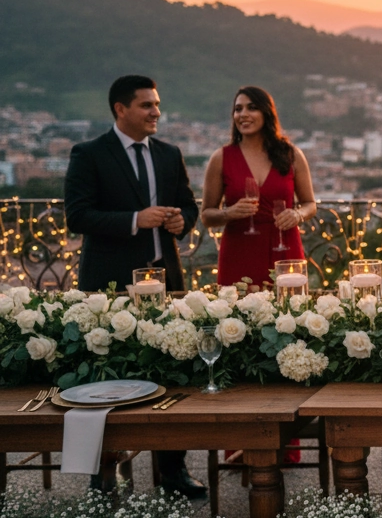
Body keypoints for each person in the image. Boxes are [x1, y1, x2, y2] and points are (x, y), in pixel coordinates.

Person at [63, 75, 204, 498]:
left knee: (172, 370)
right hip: (110, 284)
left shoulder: (169, 153)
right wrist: (134, 220)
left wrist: (181, 221)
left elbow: (189, 205)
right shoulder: (89, 154)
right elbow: (77, 216)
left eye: (157, 104)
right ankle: (104, 471)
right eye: (146, 105)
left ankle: (173, 471)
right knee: (107, 376)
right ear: (120, 109)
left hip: (166, 279)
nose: (156, 112)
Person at [202, 86, 315, 290]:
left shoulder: (292, 155)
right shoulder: (221, 158)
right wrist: (229, 213)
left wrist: (298, 215)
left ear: (266, 113)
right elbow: (206, 216)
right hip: (239, 253)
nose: (243, 114)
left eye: (252, 108)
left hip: (285, 249)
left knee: (290, 307)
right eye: (238, 109)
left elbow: (310, 204)